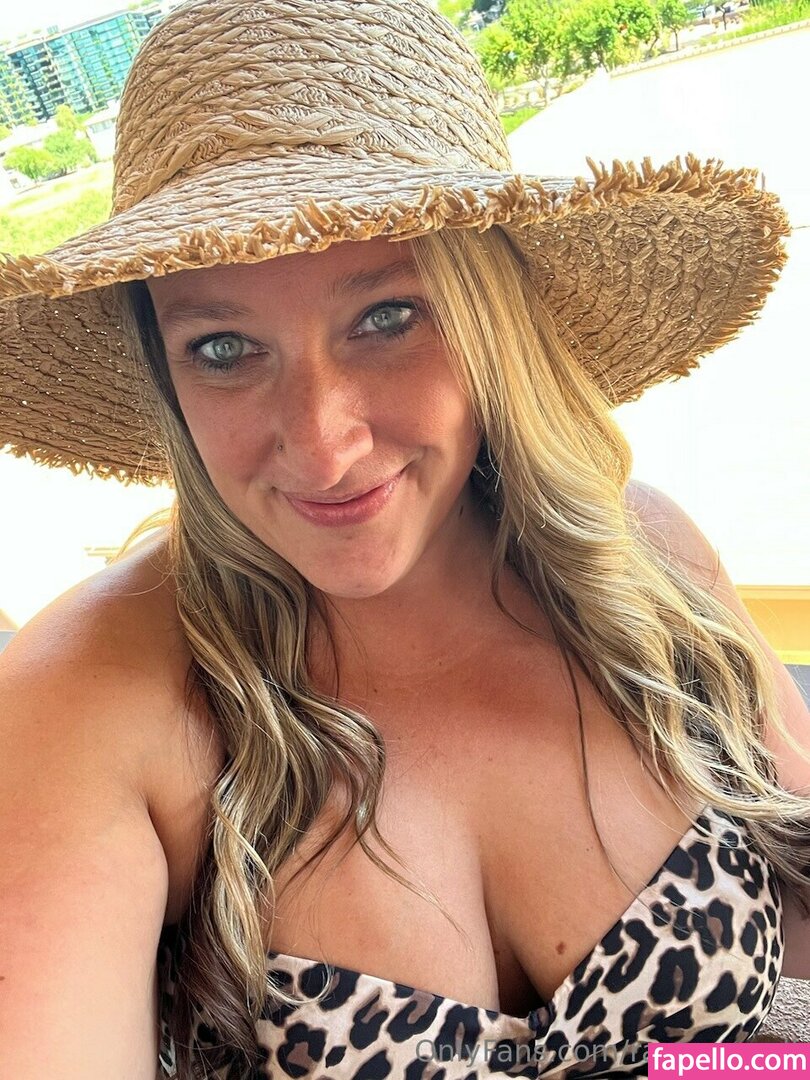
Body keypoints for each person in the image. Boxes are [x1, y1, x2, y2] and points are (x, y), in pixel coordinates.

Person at [0, 1, 808, 1077]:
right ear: (164, 366)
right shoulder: (86, 696)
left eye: (387, 318)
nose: (323, 445)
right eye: (225, 347)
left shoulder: (648, 563)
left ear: (492, 318)